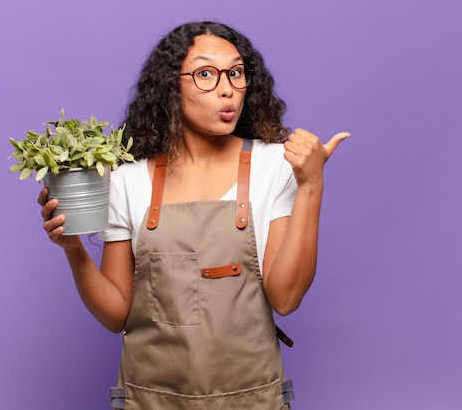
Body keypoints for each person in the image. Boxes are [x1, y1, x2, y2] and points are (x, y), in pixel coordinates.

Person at [38, 21, 349, 410]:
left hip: (252, 400)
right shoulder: (128, 179)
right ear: (172, 86)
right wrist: (73, 249)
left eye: (235, 73)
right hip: (150, 400)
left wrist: (311, 186)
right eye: (205, 74)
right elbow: (117, 313)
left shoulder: (274, 166)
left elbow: (285, 298)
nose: (226, 88)